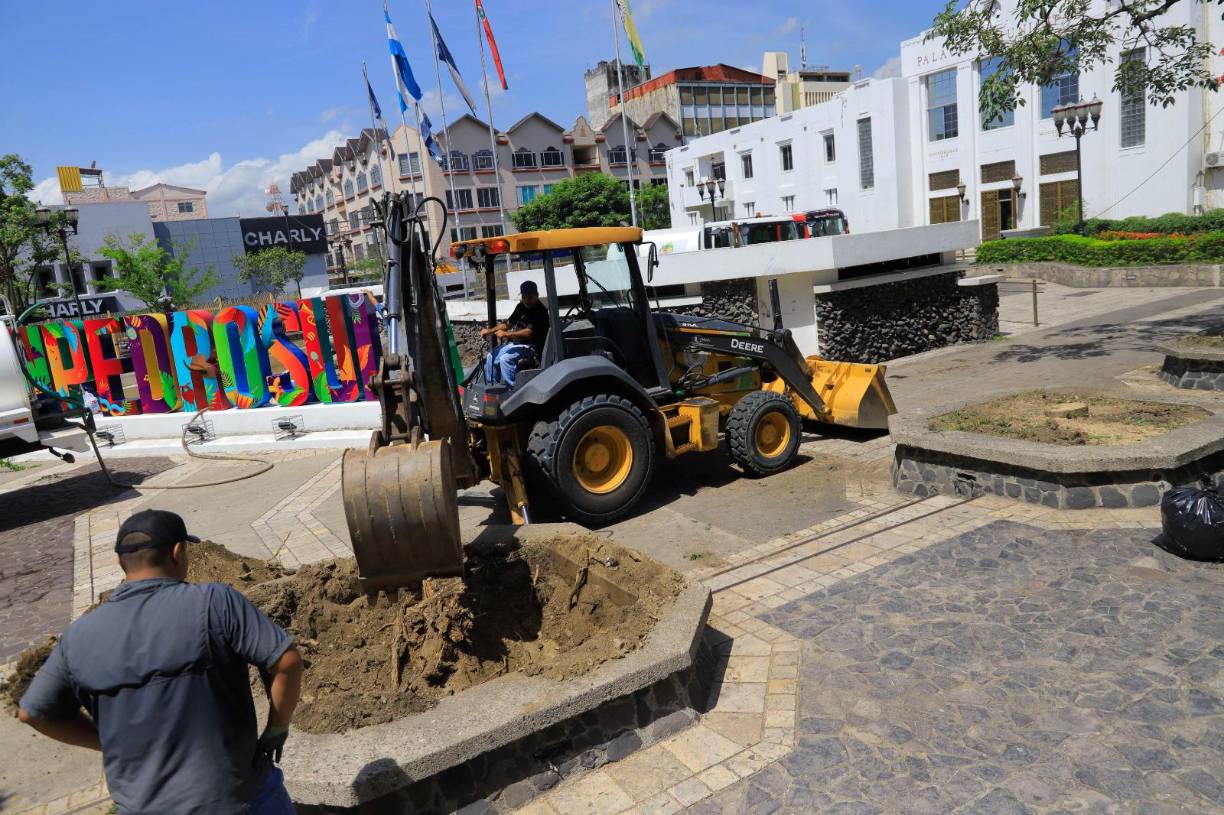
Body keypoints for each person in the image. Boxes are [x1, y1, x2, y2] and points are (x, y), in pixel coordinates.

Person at [17, 509, 303, 814]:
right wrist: (277, 727)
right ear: (178, 552)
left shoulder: (78, 636)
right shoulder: (215, 602)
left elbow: (33, 713)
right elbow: (286, 662)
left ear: (119, 563)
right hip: (236, 799)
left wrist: (109, 741)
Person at [481, 279, 549, 388]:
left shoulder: (541, 311)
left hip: (532, 347)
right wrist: (489, 331)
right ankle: (492, 388)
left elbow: (529, 333)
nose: (526, 300)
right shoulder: (521, 306)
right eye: (524, 297)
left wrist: (506, 334)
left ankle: (512, 390)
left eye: (530, 297)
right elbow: (508, 324)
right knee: (490, 356)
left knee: (505, 359)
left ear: (537, 295)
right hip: (517, 344)